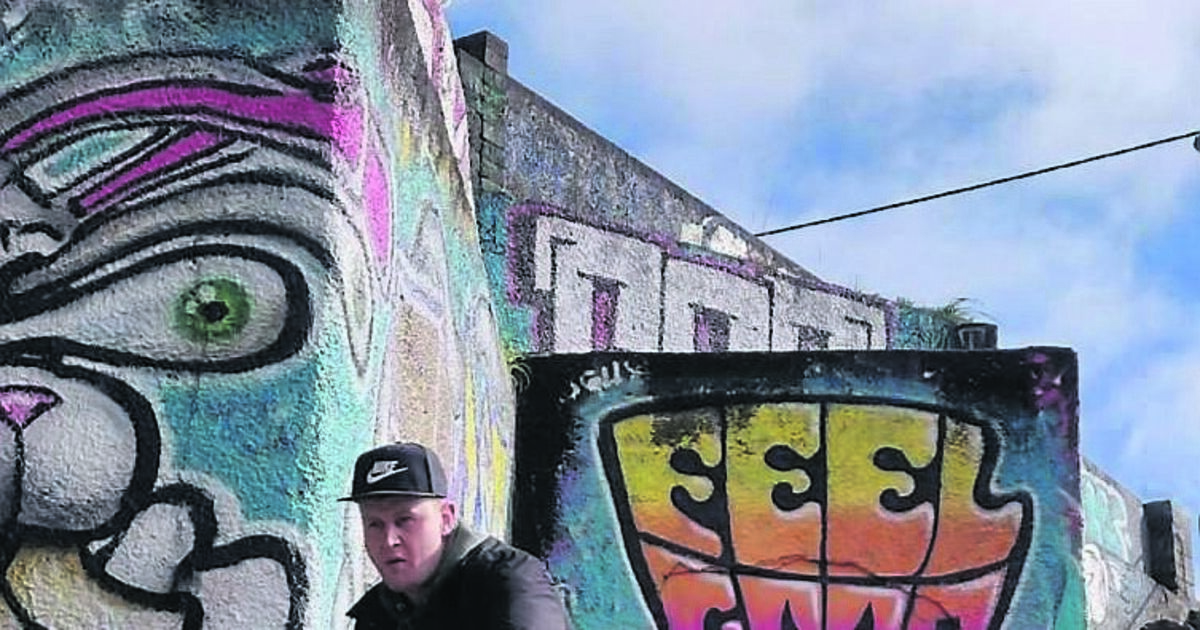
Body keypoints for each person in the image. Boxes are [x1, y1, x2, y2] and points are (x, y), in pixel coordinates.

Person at [341, 442, 572, 629]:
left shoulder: (509, 582)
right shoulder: (378, 613)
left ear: (446, 518)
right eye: (374, 524)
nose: (389, 540)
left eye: (405, 520)